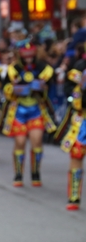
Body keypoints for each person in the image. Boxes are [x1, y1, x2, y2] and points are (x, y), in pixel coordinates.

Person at [1, 40, 56, 187]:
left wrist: (42, 87)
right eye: (25, 56)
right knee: (20, 141)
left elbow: (50, 87)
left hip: (36, 108)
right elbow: (5, 88)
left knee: (36, 140)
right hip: (19, 109)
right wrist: (14, 89)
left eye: (31, 56)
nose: (28, 59)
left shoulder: (44, 68)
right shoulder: (13, 69)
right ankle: (18, 173)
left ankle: (35, 172)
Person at [55, 44, 86, 209]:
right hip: (83, 119)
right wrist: (77, 93)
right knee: (76, 155)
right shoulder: (80, 66)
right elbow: (69, 90)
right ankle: (74, 196)